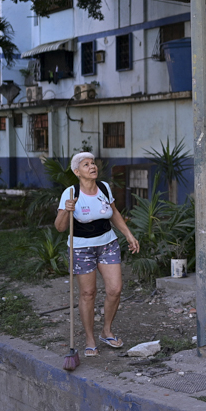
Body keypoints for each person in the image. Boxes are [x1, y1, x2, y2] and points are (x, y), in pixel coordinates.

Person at [55, 152, 140, 357]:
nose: (92, 166)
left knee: (115, 289)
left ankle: (106, 331)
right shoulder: (71, 192)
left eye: (93, 163)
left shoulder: (104, 187)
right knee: (88, 293)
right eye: (86, 165)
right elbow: (60, 227)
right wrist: (66, 210)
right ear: (77, 172)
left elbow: (114, 212)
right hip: (81, 248)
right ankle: (90, 339)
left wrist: (128, 234)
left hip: (107, 243)